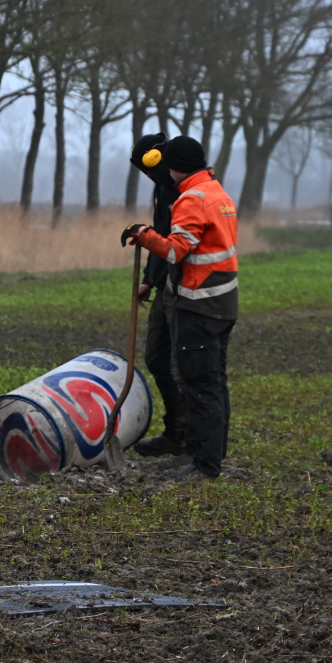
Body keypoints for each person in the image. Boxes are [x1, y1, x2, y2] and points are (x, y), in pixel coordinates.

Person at [120, 135, 238, 482]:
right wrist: (153, 279)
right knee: (212, 380)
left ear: (171, 164)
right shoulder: (216, 192)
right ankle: (207, 454)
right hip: (221, 301)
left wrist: (143, 234)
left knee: (200, 382)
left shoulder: (191, 198)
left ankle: (204, 462)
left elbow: (174, 250)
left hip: (198, 302)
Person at [128, 133, 187, 457]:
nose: (149, 175)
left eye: (150, 167)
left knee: (183, 365)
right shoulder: (161, 187)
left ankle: (192, 437)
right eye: (144, 171)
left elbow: (178, 244)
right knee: (155, 357)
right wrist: (149, 280)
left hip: (186, 288)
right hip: (164, 283)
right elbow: (160, 235)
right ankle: (176, 431)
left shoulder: (187, 190)